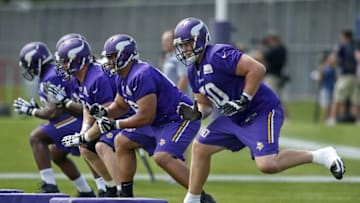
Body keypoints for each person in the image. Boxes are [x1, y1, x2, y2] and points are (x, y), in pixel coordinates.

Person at [172, 17, 346, 203]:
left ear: (200, 39)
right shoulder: (193, 71)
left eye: (188, 43)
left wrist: (244, 98)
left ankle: (321, 155)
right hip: (234, 116)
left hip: (260, 109)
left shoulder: (218, 55)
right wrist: (198, 113)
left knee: (268, 164)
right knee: (200, 148)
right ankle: (193, 199)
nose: (185, 49)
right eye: (182, 45)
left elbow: (257, 69)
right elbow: (205, 104)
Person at [61, 34, 216, 202]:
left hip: (177, 118)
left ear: (124, 56)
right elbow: (120, 106)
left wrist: (115, 124)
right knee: (122, 142)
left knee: (162, 157)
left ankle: (202, 197)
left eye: (112, 57)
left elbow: (145, 116)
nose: (109, 62)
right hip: (158, 121)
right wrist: (105, 113)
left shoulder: (141, 74)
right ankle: (125, 195)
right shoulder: (122, 76)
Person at [13, 41, 95, 197]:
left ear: (36, 61)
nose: (26, 68)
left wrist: (32, 111)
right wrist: (37, 108)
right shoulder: (48, 74)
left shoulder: (51, 76)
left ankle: (50, 185)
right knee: (57, 155)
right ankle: (86, 192)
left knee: (37, 137)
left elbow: (53, 113)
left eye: (27, 64)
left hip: (78, 118)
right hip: (73, 116)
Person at [50, 37, 121, 197]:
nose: (63, 66)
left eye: (66, 61)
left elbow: (109, 113)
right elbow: (87, 107)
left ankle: (122, 190)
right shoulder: (78, 79)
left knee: (100, 145)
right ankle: (109, 187)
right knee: (84, 147)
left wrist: (86, 136)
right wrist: (84, 130)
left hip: (124, 118)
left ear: (78, 60)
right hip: (109, 119)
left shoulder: (98, 77)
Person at [327, 29, 360, 125]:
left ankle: (332, 119)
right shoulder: (356, 44)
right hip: (354, 76)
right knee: (356, 99)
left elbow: (333, 58)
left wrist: (332, 65)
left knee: (338, 97)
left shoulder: (342, 46)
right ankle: (358, 120)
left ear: (344, 36)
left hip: (345, 76)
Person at [262, 31, 289, 118]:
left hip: (273, 76)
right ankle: (285, 116)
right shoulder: (281, 48)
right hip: (276, 76)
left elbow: (265, 56)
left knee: (270, 96)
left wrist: (262, 48)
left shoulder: (278, 49)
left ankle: (281, 115)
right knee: (278, 97)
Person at [161, 30, 192, 97]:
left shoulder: (180, 56)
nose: (164, 43)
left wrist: (176, 98)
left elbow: (184, 78)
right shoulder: (168, 56)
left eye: (167, 40)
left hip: (180, 102)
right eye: (163, 40)